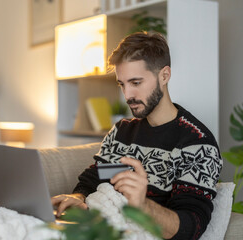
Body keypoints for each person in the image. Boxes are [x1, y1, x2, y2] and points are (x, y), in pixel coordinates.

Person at [51, 32, 222, 240]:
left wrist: (142, 204)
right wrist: (78, 197)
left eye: (136, 82)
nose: (127, 95)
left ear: (164, 75)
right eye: (122, 84)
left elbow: (190, 226)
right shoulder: (123, 131)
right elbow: (95, 177)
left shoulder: (197, 143)